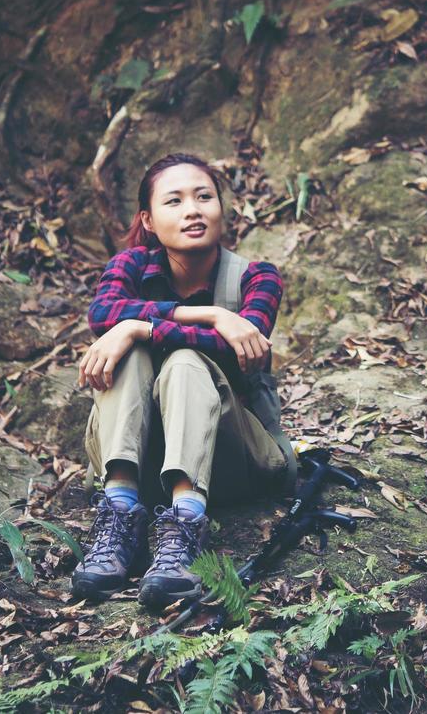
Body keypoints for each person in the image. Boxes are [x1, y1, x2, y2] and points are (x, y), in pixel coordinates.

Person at [70, 152, 296, 610]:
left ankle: (184, 528)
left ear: (221, 209)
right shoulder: (129, 267)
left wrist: (143, 326)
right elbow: (103, 314)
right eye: (174, 201)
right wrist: (208, 314)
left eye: (203, 197)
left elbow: (238, 345)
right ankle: (118, 518)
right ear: (149, 221)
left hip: (229, 462)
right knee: (129, 353)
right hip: (141, 461)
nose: (193, 209)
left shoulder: (256, 277)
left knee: (187, 360)